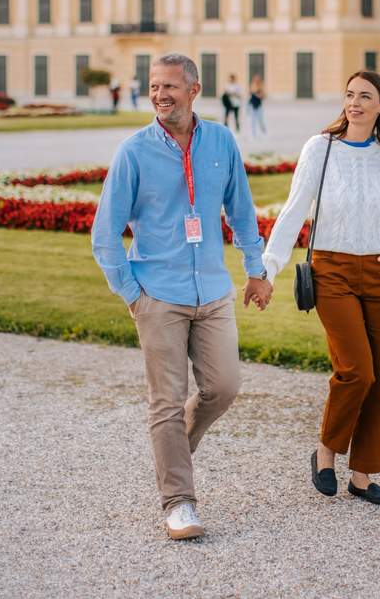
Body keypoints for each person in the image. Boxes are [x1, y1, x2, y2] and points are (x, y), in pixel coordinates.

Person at [91, 53, 273, 541]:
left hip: (212, 291)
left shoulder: (220, 141)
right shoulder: (133, 152)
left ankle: (170, 454)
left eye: (169, 86)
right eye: (153, 87)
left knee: (224, 387)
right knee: (165, 402)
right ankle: (179, 501)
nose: (159, 95)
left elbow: (241, 211)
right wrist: (133, 294)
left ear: (194, 89)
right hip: (160, 295)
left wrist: (256, 271)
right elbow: (104, 234)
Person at [262, 70, 380, 507]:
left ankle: (362, 475)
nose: (354, 103)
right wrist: (268, 267)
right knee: (357, 369)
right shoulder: (321, 148)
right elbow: (294, 211)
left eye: (364, 97)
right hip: (331, 271)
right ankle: (325, 452)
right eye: (350, 95)